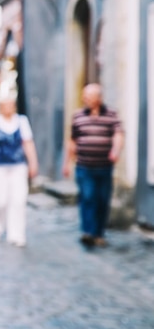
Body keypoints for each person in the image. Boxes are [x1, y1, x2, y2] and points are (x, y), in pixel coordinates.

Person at [62, 83, 124, 248]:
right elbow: (72, 140)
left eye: (88, 97)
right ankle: (88, 232)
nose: (85, 99)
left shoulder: (111, 114)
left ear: (99, 98)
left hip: (104, 166)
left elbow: (118, 134)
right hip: (84, 165)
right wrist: (67, 163)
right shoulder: (78, 116)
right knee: (87, 197)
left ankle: (98, 233)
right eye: (84, 96)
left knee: (102, 199)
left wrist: (116, 150)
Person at [0, 96, 38, 248]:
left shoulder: (22, 121)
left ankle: (16, 234)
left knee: (18, 200)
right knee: (0, 200)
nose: (9, 108)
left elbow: (28, 143)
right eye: (6, 105)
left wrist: (33, 163)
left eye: (11, 105)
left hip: (18, 166)